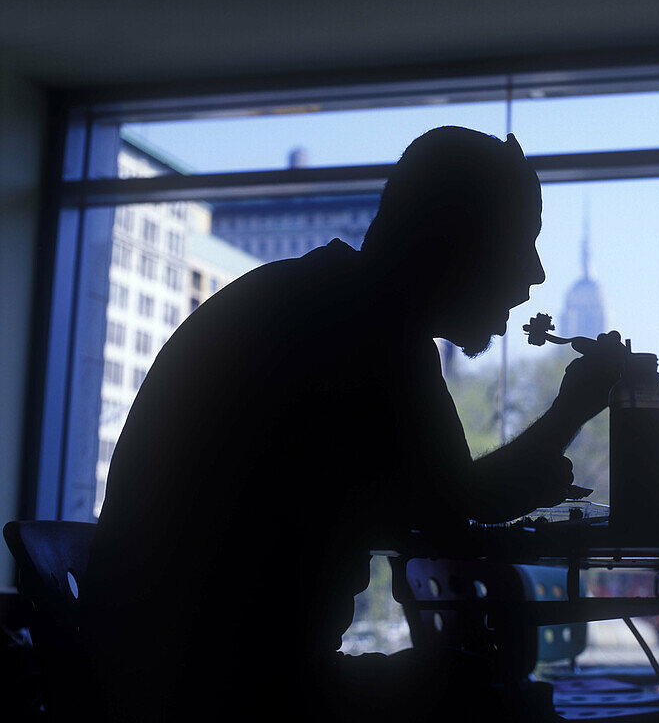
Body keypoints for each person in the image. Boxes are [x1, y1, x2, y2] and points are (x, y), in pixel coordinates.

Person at [82, 127, 625, 722]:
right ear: (455, 239)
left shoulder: (336, 306)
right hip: (230, 692)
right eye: (520, 243)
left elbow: (448, 501)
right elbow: (458, 505)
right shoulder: (373, 337)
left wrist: (566, 415)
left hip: (168, 676)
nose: (536, 274)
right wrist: (570, 411)